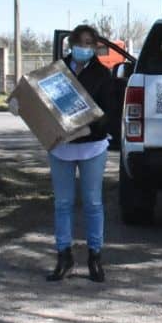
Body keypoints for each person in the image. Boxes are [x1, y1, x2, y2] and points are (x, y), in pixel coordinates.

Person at [41, 25, 115, 283]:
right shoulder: (57, 71)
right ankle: (64, 256)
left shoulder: (102, 74)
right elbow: (43, 104)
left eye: (89, 43)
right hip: (61, 146)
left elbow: (108, 114)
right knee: (62, 203)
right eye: (79, 42)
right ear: (71, 43)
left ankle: (95, 256)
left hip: (91, 145)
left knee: (93, 202)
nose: (83, 47)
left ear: (95, 47)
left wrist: (86, 128)